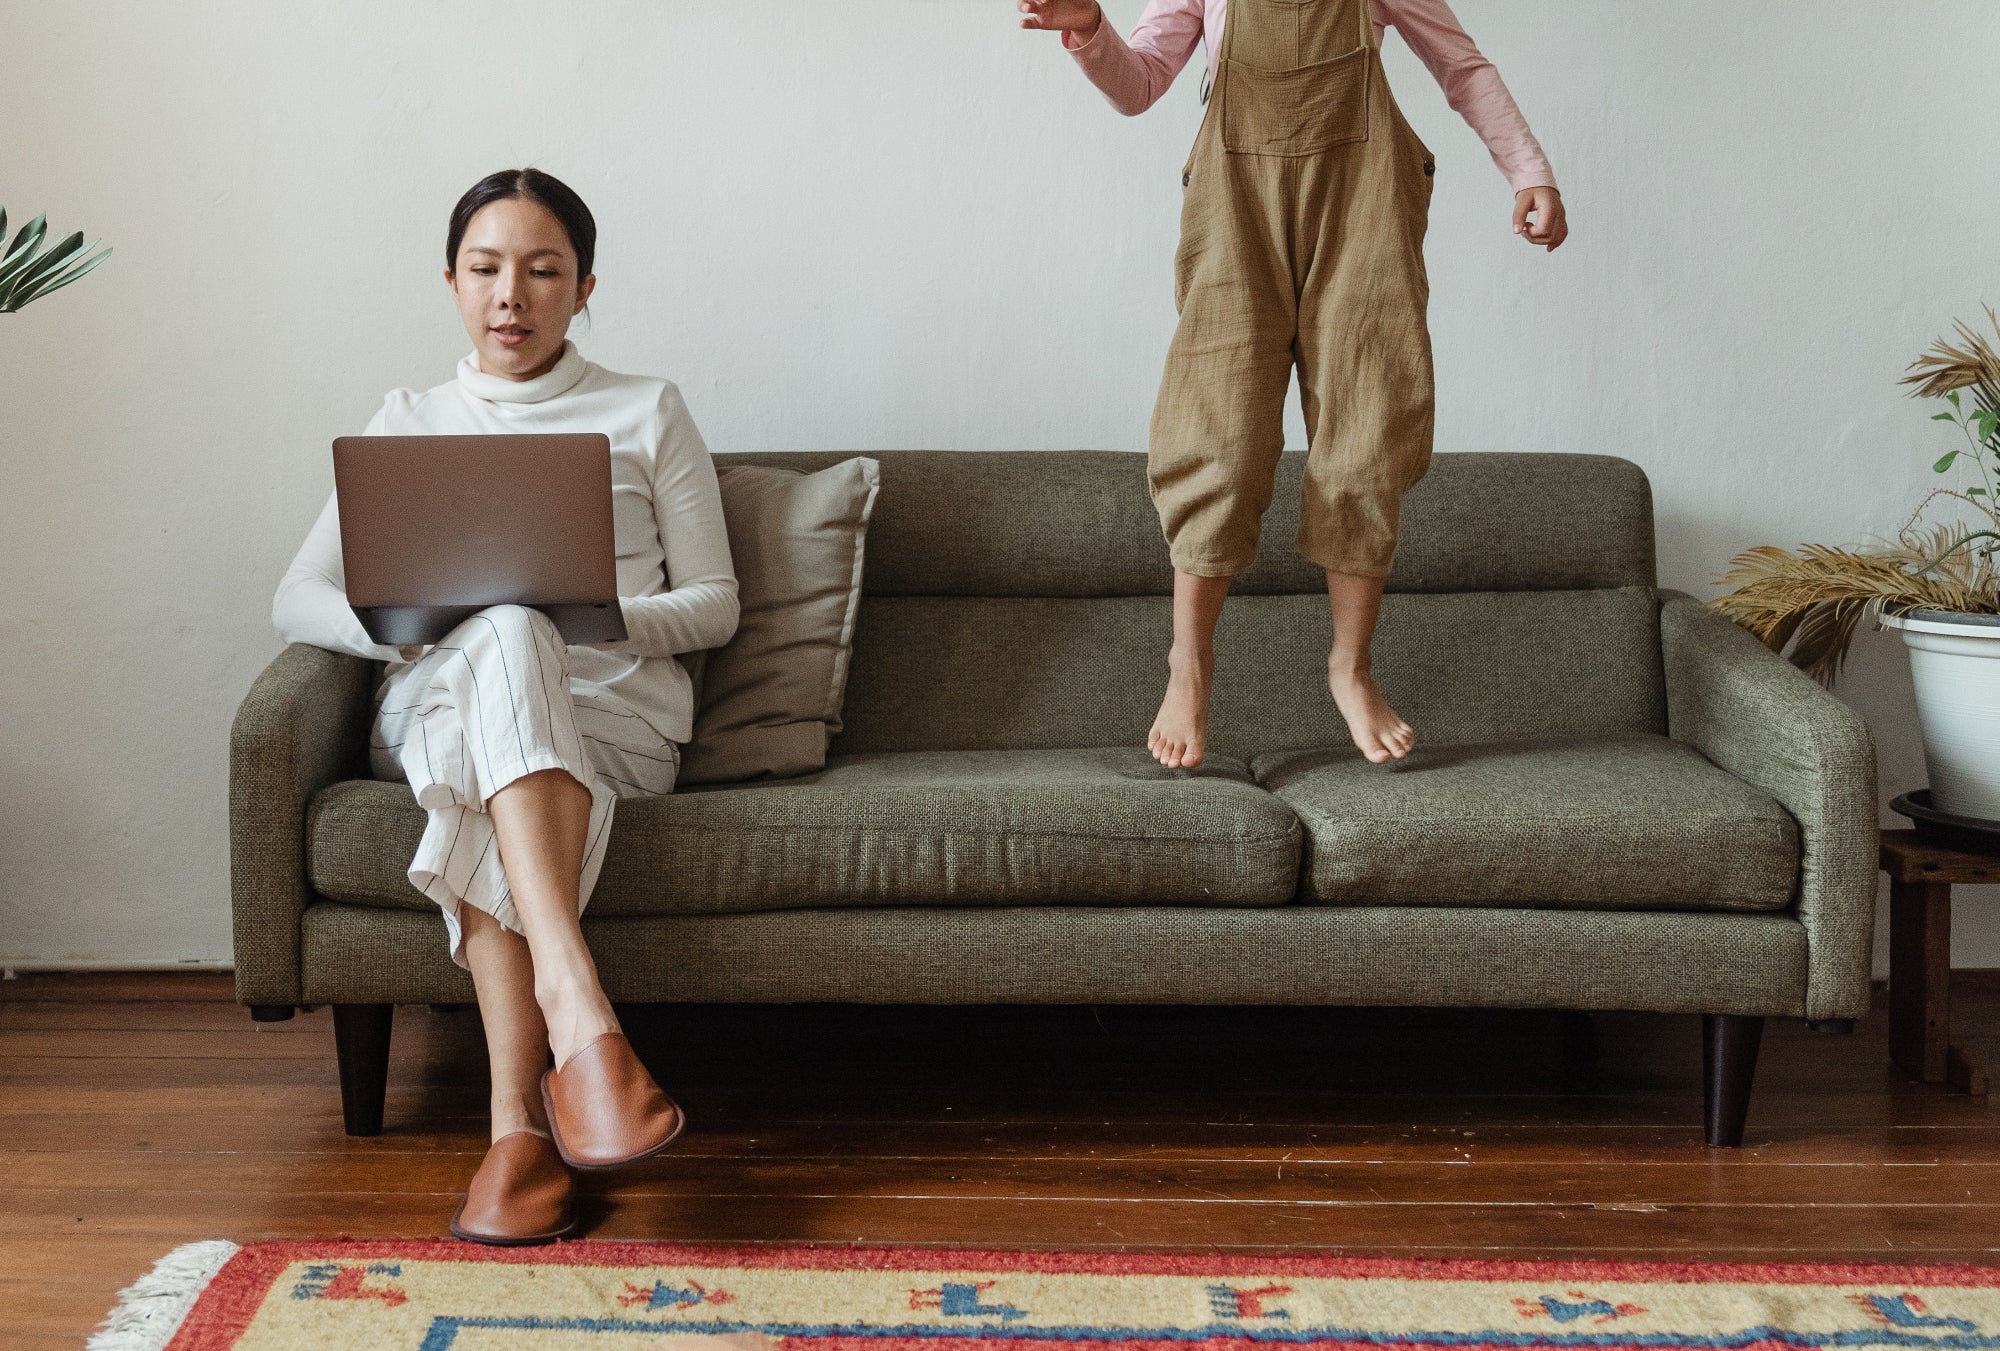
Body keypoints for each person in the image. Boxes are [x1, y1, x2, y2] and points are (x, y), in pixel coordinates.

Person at [273, 168, 739, 1244]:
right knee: (499, 634)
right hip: (440, 698)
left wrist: (588, 616)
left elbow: (714, 604)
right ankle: (579, 1016)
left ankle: (515, 1132)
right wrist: (408, 627)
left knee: (520, 637)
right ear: (450, 282)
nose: (510, 296)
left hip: (608, 712)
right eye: (485, 269)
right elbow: (293, 595)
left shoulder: (647, 408)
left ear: (583, 290)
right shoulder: (406, 420)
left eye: (542, 271)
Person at [1020, 0, 1567, 768]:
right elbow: (1139, 84)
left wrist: (1529, 172)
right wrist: (1088, 28)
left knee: (1369, 430)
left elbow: (1460, 64)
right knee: (1217, 438)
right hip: (1235, 219)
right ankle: (1190, 666)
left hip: (1363, 216)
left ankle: (1350, 666)